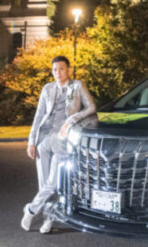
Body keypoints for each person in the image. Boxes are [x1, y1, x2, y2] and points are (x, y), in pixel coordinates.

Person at [21, 55, 96, 234]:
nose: (58, 73)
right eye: (55, 69)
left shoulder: (78, 86)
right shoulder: (47, 88)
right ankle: (48, 219)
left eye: (61, 69)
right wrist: (31, 142)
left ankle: (31, 209)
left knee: (53, 183)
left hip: (63, 140)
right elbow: (39, 116)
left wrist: (72, 119)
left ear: (68, 69)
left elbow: (91, 107)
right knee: (44, 183)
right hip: (44, 140)